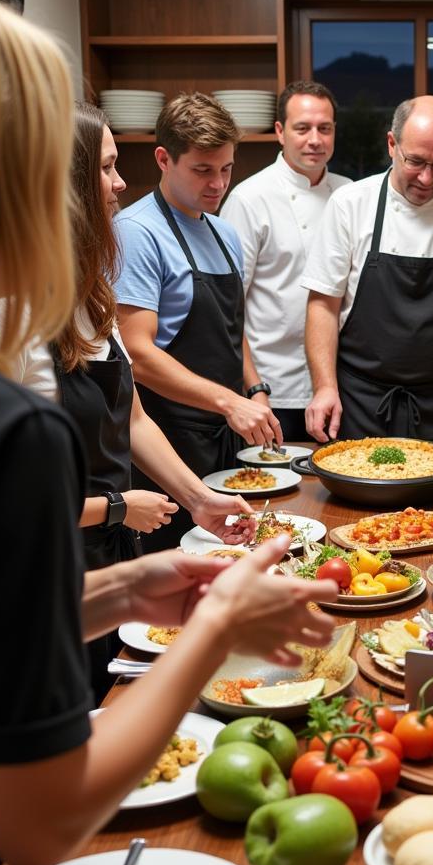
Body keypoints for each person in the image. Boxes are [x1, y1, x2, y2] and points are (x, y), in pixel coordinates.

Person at [0, 0, 337, 865]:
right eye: (70, 161)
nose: (110, 187)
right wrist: (213, 633)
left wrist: (124, 588)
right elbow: (40, 823)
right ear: (0, 174)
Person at [15, 102, 258, 700]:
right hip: (55, 564)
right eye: (104, 168)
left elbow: (133, 416)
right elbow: (19, 504)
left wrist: (202, 500)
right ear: (61, 183)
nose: (120, 184)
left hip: (108, 548)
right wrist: (119, 506)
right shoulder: (14, 312)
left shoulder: (88, 290)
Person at [114, 93, 282, 551]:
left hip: (223, 439)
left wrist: (253, 389)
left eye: (226, 168)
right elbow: (139, 355)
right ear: (164, 159)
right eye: (203, 170)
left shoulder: (223, 231)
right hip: (167, 440)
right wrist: (229, 402)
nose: (218, 184)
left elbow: (231, 326)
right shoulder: (137, 232)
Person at [302, 95, 433, 442]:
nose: (427, 178)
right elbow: (323, 306)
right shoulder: (350, 205)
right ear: (391, 144)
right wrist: (325, 388)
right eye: (415, 161)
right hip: (359, 404)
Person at [220, 80, 351, 441]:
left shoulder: (349, 194)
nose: (315, 139)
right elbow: (229, 309)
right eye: (302, 128)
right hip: (272, 391)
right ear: (280, 131)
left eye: (324, 128)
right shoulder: (249, 199)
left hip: (340, 389)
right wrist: (254, 388)